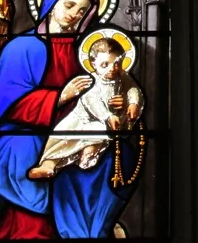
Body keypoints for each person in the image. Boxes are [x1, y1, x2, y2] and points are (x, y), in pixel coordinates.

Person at [0, 0, 139, 239]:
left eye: (82, 11)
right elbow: (7, 104)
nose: (74, 15)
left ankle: (88, 229)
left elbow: (106, 90)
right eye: (70, 5)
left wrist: (118, 104)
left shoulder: (88, 52)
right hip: (25, 128)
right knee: (23, 149)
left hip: (79, 125)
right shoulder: (22, 48)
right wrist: (60, 97)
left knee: (120, 154)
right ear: (51, 6)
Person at [28, 37, 143, 178]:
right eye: (105, 64)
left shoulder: (123, 77)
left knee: (98, 132)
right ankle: (48, 164)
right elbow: (92, 101)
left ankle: (87, 156)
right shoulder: (91, 81)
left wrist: (133, 103)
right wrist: (107, 116)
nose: (112, 69)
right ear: (94, 63)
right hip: (80, 119)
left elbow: (133, 89)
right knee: (60, 132)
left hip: (102, 124)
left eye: (117, 64)